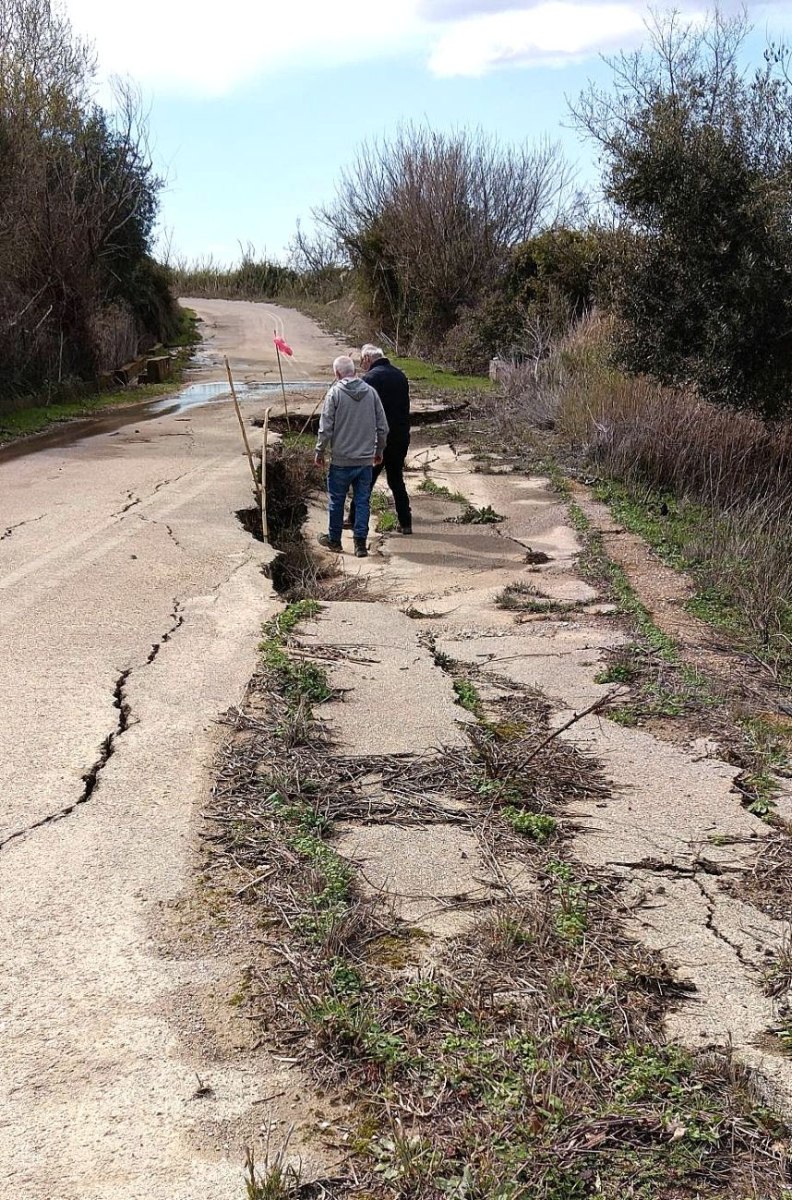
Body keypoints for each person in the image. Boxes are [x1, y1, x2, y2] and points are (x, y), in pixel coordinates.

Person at [314, 355, 388, 558]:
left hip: (340, 460)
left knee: (336, 501)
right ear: (354, 371)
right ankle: (360, 545)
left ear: (337, 374)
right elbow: (382, 427)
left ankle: (335, 540)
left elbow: (325, 427)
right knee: (363, 501)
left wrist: (320, 451)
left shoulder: (334, 393)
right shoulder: (371, 393)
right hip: (365, 461)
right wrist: (379, 450)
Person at [347, 344, 413, 535]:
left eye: (362, 361)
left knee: (365, 481)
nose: (362, 365)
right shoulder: (400, 376)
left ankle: (353, 519)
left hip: (378, 439)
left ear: (368, 359)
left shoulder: (370, 379)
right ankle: (406, 522)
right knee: (396, 479)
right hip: (400, 436)